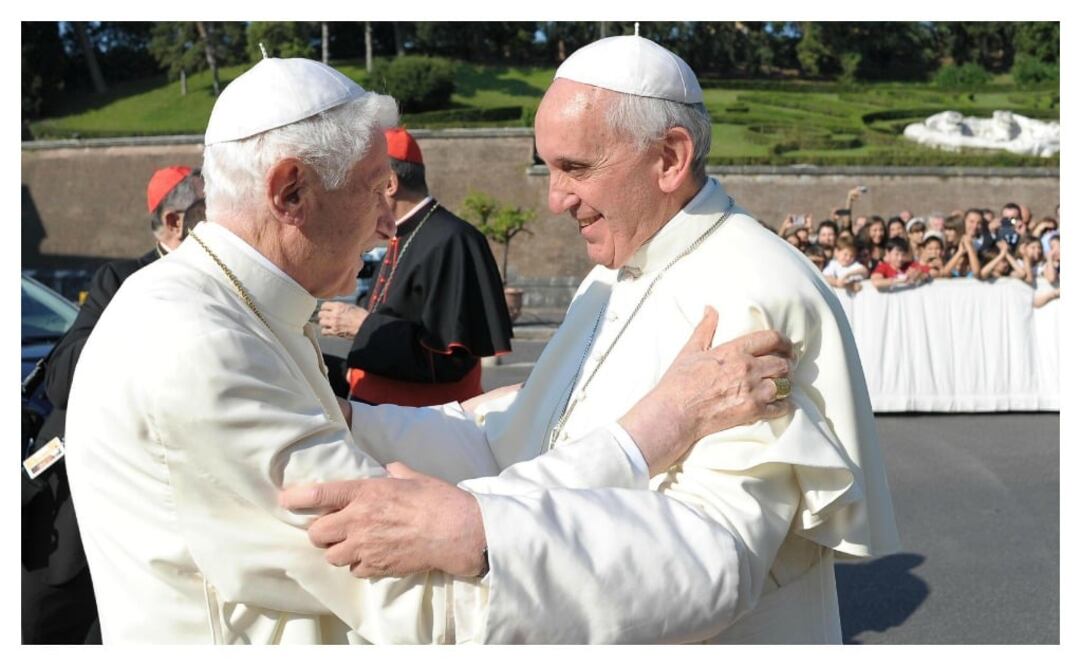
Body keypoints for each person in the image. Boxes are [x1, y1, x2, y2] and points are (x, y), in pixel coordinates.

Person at [64, 56, 797, 644]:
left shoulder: (215, 306)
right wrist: (648, 433)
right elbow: (419, 590)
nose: (389, 225)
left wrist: (508, 415)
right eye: (370, 189)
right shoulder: (195, 344)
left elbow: (362, 438)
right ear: (290, 192)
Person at [283, 36, 898, 644]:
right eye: (549, 167)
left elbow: (720, 553)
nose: (554, 199)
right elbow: (515, 447)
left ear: (669, 158)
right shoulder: (609, 275)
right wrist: (351, 423)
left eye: (574, 168)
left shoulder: (755, 292)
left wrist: (482, 531)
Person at [22, 165, 203, 645]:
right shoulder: (121, 280)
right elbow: (63, 378)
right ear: (175, 221)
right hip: (80, 515)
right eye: (211, 211)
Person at [316, 127, 513, 406]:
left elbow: (449, 360)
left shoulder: (452, 241)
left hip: (422, 429)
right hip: (382, 418)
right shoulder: (403, 235)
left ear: (390, 185)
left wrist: (363, 326)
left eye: (360, 187)